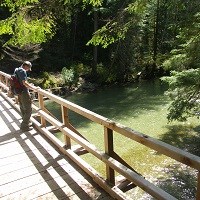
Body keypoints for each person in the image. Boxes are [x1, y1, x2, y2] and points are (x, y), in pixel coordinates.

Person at [14, 61, 38, 131]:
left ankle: (26, 123)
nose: (28, 70)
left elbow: (21, 82)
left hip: (18, 92)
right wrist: (34, 88)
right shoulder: (22, 71)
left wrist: (29, 85)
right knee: (29, 110)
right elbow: (24, 83)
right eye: (28, 68)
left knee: (22, 107)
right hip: (23, 92)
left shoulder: (17, 70)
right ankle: (24, 126)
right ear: (26, 66)